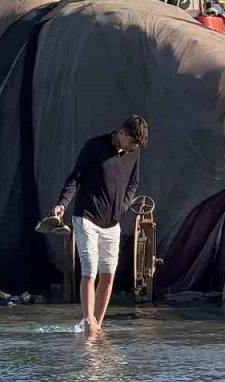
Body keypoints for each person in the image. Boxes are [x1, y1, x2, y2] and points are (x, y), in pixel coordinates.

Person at [41, 115, 148, 335]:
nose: (132, 148)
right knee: (89, 271)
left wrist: (124, 206)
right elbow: (75, 178)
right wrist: (62, 204)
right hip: (86, 217)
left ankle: (97, 325)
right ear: (121, 133)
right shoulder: (94, 146)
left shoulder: (134, 154)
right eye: (131, 143)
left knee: (108, 274)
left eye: (136, 146)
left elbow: (134, 182)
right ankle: (88, 323)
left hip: (112, 222)